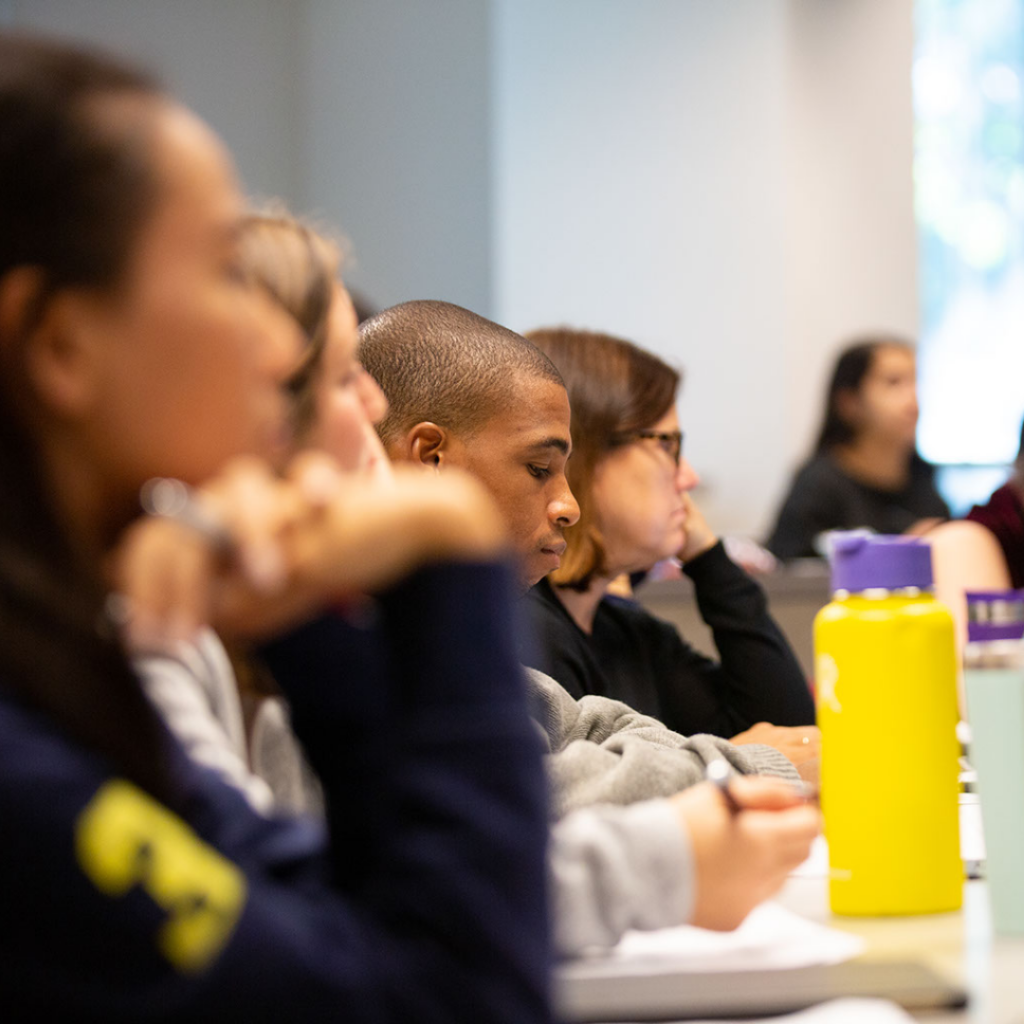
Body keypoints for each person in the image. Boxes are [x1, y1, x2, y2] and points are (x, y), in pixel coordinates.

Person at [0, 34, 553, 1019]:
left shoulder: (58, 667)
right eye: (220, 269)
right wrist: (451, 549)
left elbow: (349, 918)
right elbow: (456, 997)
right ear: (60, 343)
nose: (272, 341)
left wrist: (300, 617)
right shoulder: (22, 774)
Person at [358, 300, 819, 949]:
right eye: (541, 469)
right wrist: (750, 768)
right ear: (429, 456)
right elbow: (542, 792)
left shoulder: (469, 630)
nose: (567, 503)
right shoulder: (382, 634)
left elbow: (592, 726)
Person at [522, 326, 815, 738]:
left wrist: (708, 558)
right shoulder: (530, 633)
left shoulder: (625, 630)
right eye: (668, 445)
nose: (689, 477)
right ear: (586, 455)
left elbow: (790, 732)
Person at [766, 336, 949, 560]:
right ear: (849, 402)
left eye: (915, 381)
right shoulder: (819, 483)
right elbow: (787, 574)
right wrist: (895, 557)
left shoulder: (924, 478)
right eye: (893, 383)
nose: (913, 400)